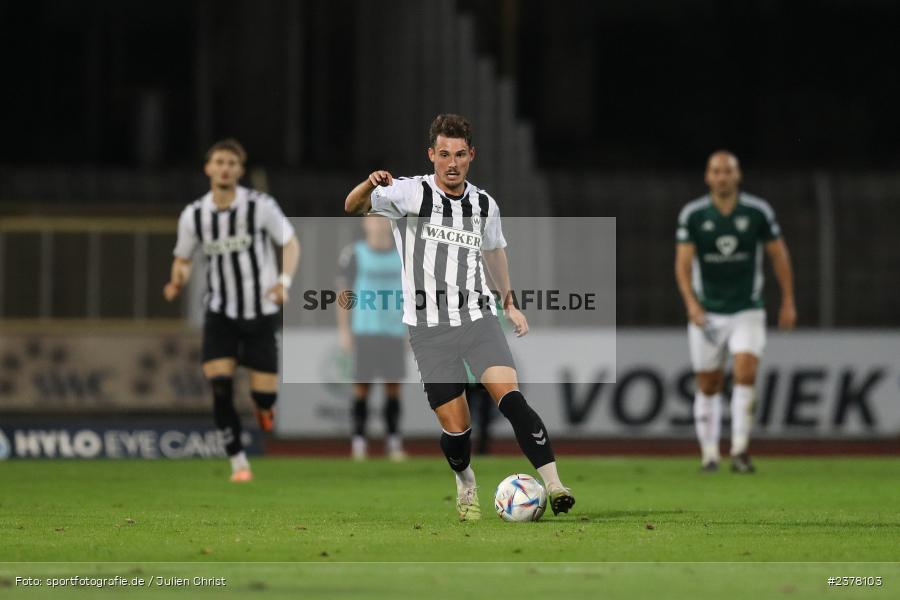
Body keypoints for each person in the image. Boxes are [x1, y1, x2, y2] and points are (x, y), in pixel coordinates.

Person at [344, 113, 575, 520]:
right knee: (457, 429)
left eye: (460, 155)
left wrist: (508, 303)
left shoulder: (484, 204)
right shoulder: (408, 193)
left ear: (472, 156)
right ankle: (465, 480)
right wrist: (369, 183)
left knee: (511, 397)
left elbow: (494, 252)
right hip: (428, 329)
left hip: (477, 319)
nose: (452, 163)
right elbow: (352, 206)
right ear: (431, 155)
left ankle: (555, 485)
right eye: (445, 154)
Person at [164, 138, 300, 482]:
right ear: (208, 168)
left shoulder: (260, 206)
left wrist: (283, 282)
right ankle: (239, 462)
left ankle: (264, 407)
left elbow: (290, 243)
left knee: (264, 397)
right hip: (220, 312)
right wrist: (177, 280)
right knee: (220, 385)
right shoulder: (194, 215)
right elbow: (182, 258)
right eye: (219, 162)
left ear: (240, 170)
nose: (225, 168)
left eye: (231, 163)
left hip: (260, 311)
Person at [675, 150, 796, 474]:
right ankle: (710, 454)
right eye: (716, 171)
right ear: (708, 176)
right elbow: (683, 265)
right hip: (708, 312)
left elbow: (778, 255)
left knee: (745, 373)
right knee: (708, 384)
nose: (722, 177)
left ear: (737, 175)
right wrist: (691, 304)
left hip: (747, 309)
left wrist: (788, 300)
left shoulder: (757, 212)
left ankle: (740, 450)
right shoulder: (694, 215)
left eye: (728, 171)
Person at [336, 215, 408, 461]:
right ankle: (358, 444)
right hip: (364, 330)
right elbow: (344, 293)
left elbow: (413, 293)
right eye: (373, 219)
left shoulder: (403, 253)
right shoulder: (354, 254)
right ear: (365, 224)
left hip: (394, 331)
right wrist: (344, 330)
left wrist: (412, 330)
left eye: (383, 219)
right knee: (361, 388)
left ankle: (394, 443)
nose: (378, 224)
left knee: (393, 389)